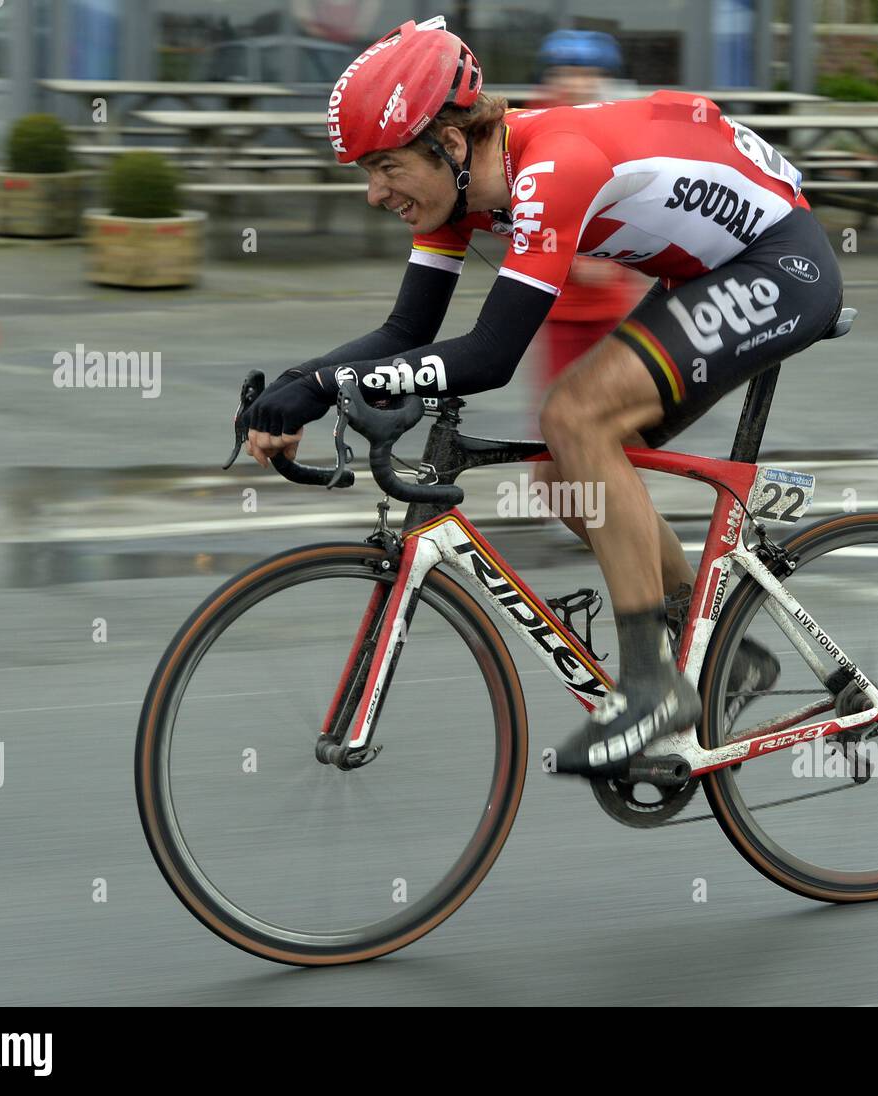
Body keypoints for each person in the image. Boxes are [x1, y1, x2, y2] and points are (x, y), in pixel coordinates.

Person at [241, 15, 844, 779]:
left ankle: (654, 688)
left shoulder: (551, 169)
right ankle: (719, 645)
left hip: (780, 263)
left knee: (574, 415)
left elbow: (491, 356)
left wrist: (333, 388)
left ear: (449, 144)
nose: (372, 193)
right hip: (705, 273)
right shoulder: (461, 196)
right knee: (567, 477)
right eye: (364, 171)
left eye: (386, 166)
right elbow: (406, 328)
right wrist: (296, 387)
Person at [527, 30, 645, 525]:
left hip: (610, 307)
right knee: (559, 410)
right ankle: (573, 507)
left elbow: (638, 202)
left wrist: (618, 260)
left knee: (616, 416)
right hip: (559, 306)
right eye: (567, 72)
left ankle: (617, 505)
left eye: (588, 73)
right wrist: (558, 252)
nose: (578, 82)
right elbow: (521, 204)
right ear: (552, 77)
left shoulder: (614, 124)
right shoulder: (540, 124)